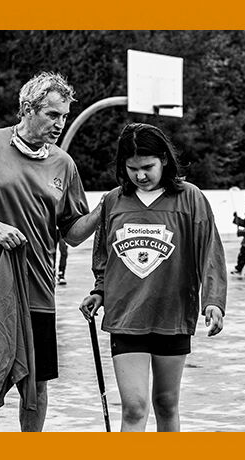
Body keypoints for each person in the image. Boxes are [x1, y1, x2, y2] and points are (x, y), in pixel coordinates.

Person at [0, 72, 100, 432]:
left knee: (37, 382)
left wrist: (102, 212)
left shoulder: (64, 165)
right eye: (53, 115)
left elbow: (71, 234)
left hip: (39, 287)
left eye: (64, 117)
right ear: (28, 108)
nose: (60, 124)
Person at [79, 123, 226, 432]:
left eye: (148, 167)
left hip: (171, 317)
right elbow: (103, 255)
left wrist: (213, 301)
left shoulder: (190, 198)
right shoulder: (113, 201)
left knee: (165, 403)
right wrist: (100, 291)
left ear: (164, 160)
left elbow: (209, 251)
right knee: (134, 408)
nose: (141, 175)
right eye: (132, 169)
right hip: (126, 317)